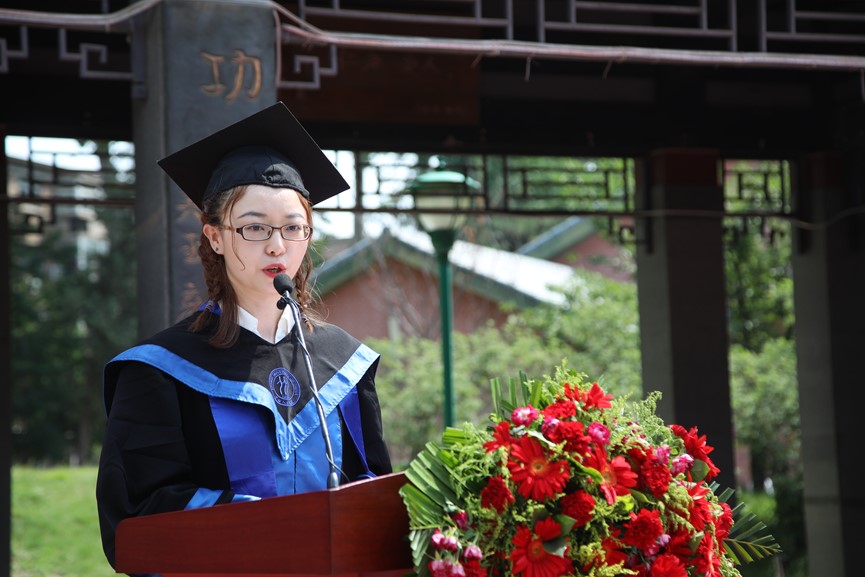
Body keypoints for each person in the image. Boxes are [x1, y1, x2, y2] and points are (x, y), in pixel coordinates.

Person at [95, 102, 392, 569]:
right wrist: (275, 529)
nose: (277, 245)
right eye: (254, 227)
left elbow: (373, 490)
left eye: (293, 227)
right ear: (215, 237)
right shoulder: (159, 370)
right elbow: (139, 515)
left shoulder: (343, 363)